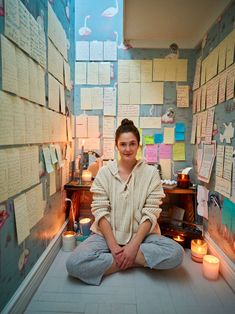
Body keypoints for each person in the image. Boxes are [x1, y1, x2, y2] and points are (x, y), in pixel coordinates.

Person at [66, 119, 184, 285]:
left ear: (138, 145)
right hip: (106, 236)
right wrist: (114, 247)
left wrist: (133, 246)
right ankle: (133, 261)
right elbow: (100, 211)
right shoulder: (104, 173)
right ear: (116, 146)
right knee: (73, 264)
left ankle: (120, 261)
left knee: (177, 254)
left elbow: (151, 214)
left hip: (142, 237)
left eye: (132, 144)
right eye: (123, 144)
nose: (127, 149)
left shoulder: (151, 174)